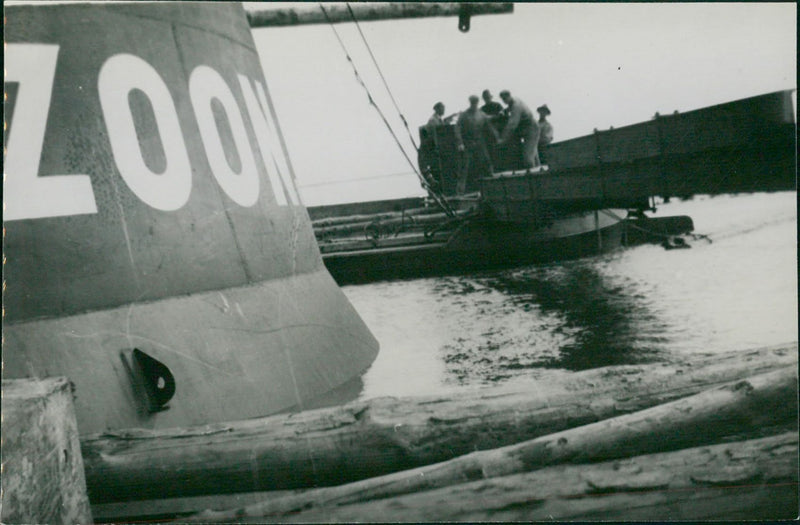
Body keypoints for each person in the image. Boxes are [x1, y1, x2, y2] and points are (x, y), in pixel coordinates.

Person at [454, 95, 499, 194]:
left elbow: (490, 128)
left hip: (479, 143)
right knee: (464, 168)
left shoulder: (481, 115)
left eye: (475, 102)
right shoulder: (464, 115)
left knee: (487, 164)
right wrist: (460, 142)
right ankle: (460, 192)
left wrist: (497, 138)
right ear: (470, 102)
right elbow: (457, 128)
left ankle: (493, 189)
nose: (474, 104)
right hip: (467, 143)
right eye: (472, 102)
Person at [499, 90, 540, 168]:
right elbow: (509, 108)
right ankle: (540, 176)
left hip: (531, 129)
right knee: (534, 155)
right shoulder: (513, 101)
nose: (504, 101)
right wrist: (504, 111)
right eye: (502, 99)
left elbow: (512, 125)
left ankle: (532, 178)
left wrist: (502, 139)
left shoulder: (516, 105)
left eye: (504, 99)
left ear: (509, 96)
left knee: (527, 158)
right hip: (526, 129)